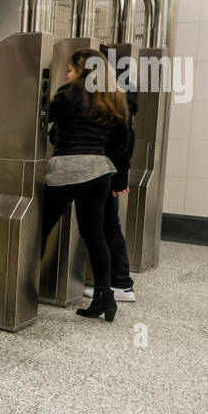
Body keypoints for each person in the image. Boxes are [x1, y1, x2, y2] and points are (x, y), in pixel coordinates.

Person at [41, 48, 131, 323]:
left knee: (40, 228)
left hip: (66, 171)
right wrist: (102, 160)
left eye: (70, 69)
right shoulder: (114, 98)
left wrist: (59, 136)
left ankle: (23, 289)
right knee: (95, 235)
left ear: (82, 70)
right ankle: (105, 297)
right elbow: (122, 141)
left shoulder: (69, 94)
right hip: (99, 174)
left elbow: (44, 118)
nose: (67, 74)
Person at [85, 54, 137, 303]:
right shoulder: (119, 97)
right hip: (109, 172)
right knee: (108, 225)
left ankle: (120, 283)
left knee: (106, 226)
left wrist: (118, 177)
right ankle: (117, 282)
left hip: (106, 173)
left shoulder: (113, 101)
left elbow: (124, 142)